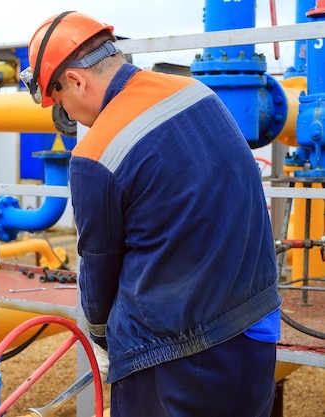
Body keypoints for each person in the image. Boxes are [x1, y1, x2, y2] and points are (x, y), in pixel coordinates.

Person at [22, 11, 281, 417]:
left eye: (61, 102)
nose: (69, 116)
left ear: (75, 80)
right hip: (255, 326)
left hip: (174, 358)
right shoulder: (196, 92)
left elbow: (99, 270)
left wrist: (100, 338)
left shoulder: (95, 153)